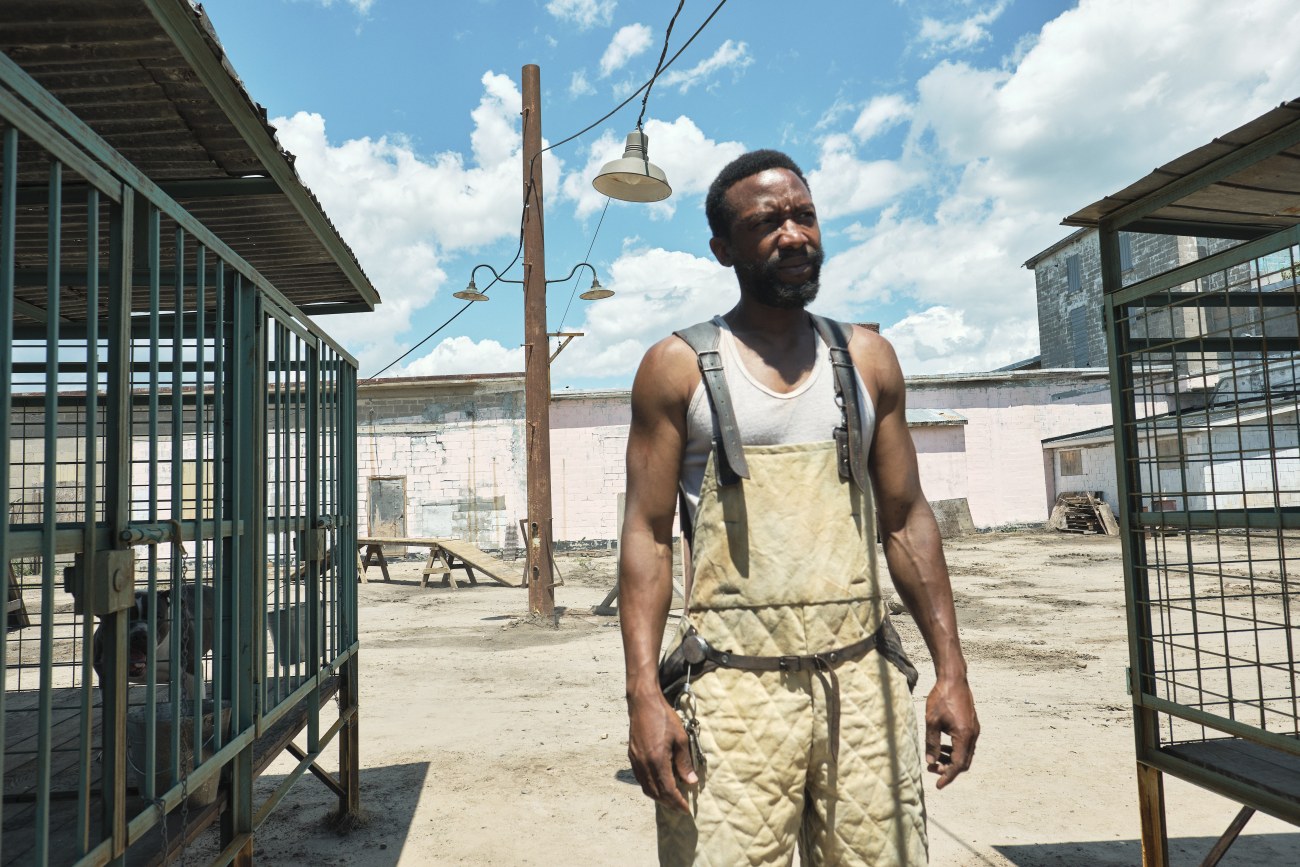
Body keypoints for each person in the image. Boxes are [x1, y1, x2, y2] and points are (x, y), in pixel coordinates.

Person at [618, 149, 979, 866]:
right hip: (731, 694)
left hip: (863, 684)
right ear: (724, 248)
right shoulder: (679, 366)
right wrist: (642, 696)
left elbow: (906, 520)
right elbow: (648, 537)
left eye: (804, 215)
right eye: (766, 222)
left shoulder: (868, 358)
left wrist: (952, 670)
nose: (793, 234)